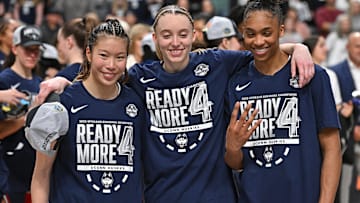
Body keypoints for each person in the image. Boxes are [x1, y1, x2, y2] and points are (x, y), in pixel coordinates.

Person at [36, 5, 315, 203]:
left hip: (214, 196)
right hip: (162, 195)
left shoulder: (216, 63)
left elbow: (261, 51)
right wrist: (63, 80)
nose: (175, 42)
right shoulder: (140, 78)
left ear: (194, 36)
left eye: (183, 34)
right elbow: (105, 70)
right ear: (155, 39)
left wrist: (298, 47)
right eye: (166, 35)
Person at [224, 1, 342, 203]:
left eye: (266, 33)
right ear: (242, 33)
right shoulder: (235, 83)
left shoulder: (312, 75)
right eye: (250, 34)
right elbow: (236, 163)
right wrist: (233, 148)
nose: (259, 41)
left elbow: (332, 147)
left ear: (281, 30)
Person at [27, 18, 146, 202]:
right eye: (104, 55)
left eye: (120, 57)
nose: (111, 65)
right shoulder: (63, 102)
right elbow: (41, 176)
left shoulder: (137, 102)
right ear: (89, 53)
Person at [0, 24, 43, 203]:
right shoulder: (4, 81)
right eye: (28, 49)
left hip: (34, 171)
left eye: (36, 50)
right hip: (9, 170)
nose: (32, 54)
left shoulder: (41, 84)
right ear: (15, 48)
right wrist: (27, 119)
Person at [330, 31, 360, 203]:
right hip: (346, 141)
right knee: (346, 190)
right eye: (357, 46)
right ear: (347, 47)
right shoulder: (335, 73)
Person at [55, 16, 99, 81]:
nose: (57, 47)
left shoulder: (63, 78)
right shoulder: (97, 73)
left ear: (69, 42)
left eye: (58, 42)